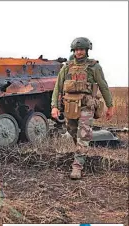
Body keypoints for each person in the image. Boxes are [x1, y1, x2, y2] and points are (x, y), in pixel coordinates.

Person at [50, 37, 115, 179]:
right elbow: (57, 87)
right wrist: (54, 106)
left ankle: (77, 166)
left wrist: (110, 106)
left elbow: (103, 85)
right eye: (77, 49)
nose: (79, 52)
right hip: (70, 106)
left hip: (87, 105)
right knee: (72, 131)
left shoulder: (94, 67)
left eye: (82, 49)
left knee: (83, 134)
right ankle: (81, 151)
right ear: (73, 51)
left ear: (87, 50)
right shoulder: (66, 67)